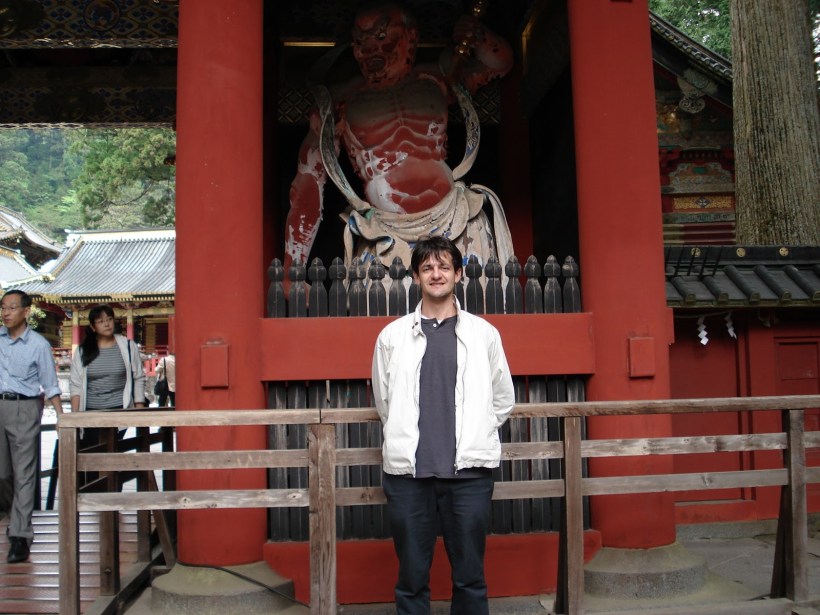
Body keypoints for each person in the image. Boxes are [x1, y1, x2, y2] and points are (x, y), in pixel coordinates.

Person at [285, 2, 515, 284]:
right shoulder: (340, 102)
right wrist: (291, 271)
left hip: (455, 220)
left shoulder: (436, 79)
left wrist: (477, 34)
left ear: (410, 36)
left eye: (382, 36)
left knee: (471, 316)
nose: (370, 49)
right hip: (385, 233)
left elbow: (500, 63)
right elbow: (308, 181)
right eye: (360, 41)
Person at [371, 236, 515, 614]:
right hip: (408, 475)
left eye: (444, 267)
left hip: (468, 475)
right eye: (428, 268)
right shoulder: (392, 337)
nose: (437, 274)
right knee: (412, 577)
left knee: (469, 576)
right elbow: (384, 401)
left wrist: (478, 431)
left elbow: (503, 398)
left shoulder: (484, 334)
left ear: (459, 274)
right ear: (417, 276)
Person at [0, 290, 63, 563]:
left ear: (26, 311)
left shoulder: (38, 344)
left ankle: (20, 536)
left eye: (12, 308)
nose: (6, 313)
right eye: (3, 307)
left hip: (25, 408)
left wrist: (62, 417)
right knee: (3, 474)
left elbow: (50, 383)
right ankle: (14, 518)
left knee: (24, 473)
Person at [68, 304, 146, 450]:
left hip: (118, 409)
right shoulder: (83, 350)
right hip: (90, 411)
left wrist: (139, 408)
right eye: (100, 321)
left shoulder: (128, 346)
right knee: (92, 454)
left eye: (109, 319)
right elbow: (76, 384)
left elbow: (139, 377)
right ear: (93, 327)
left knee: (111, 451)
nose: (106, 324)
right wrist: (75, 416)